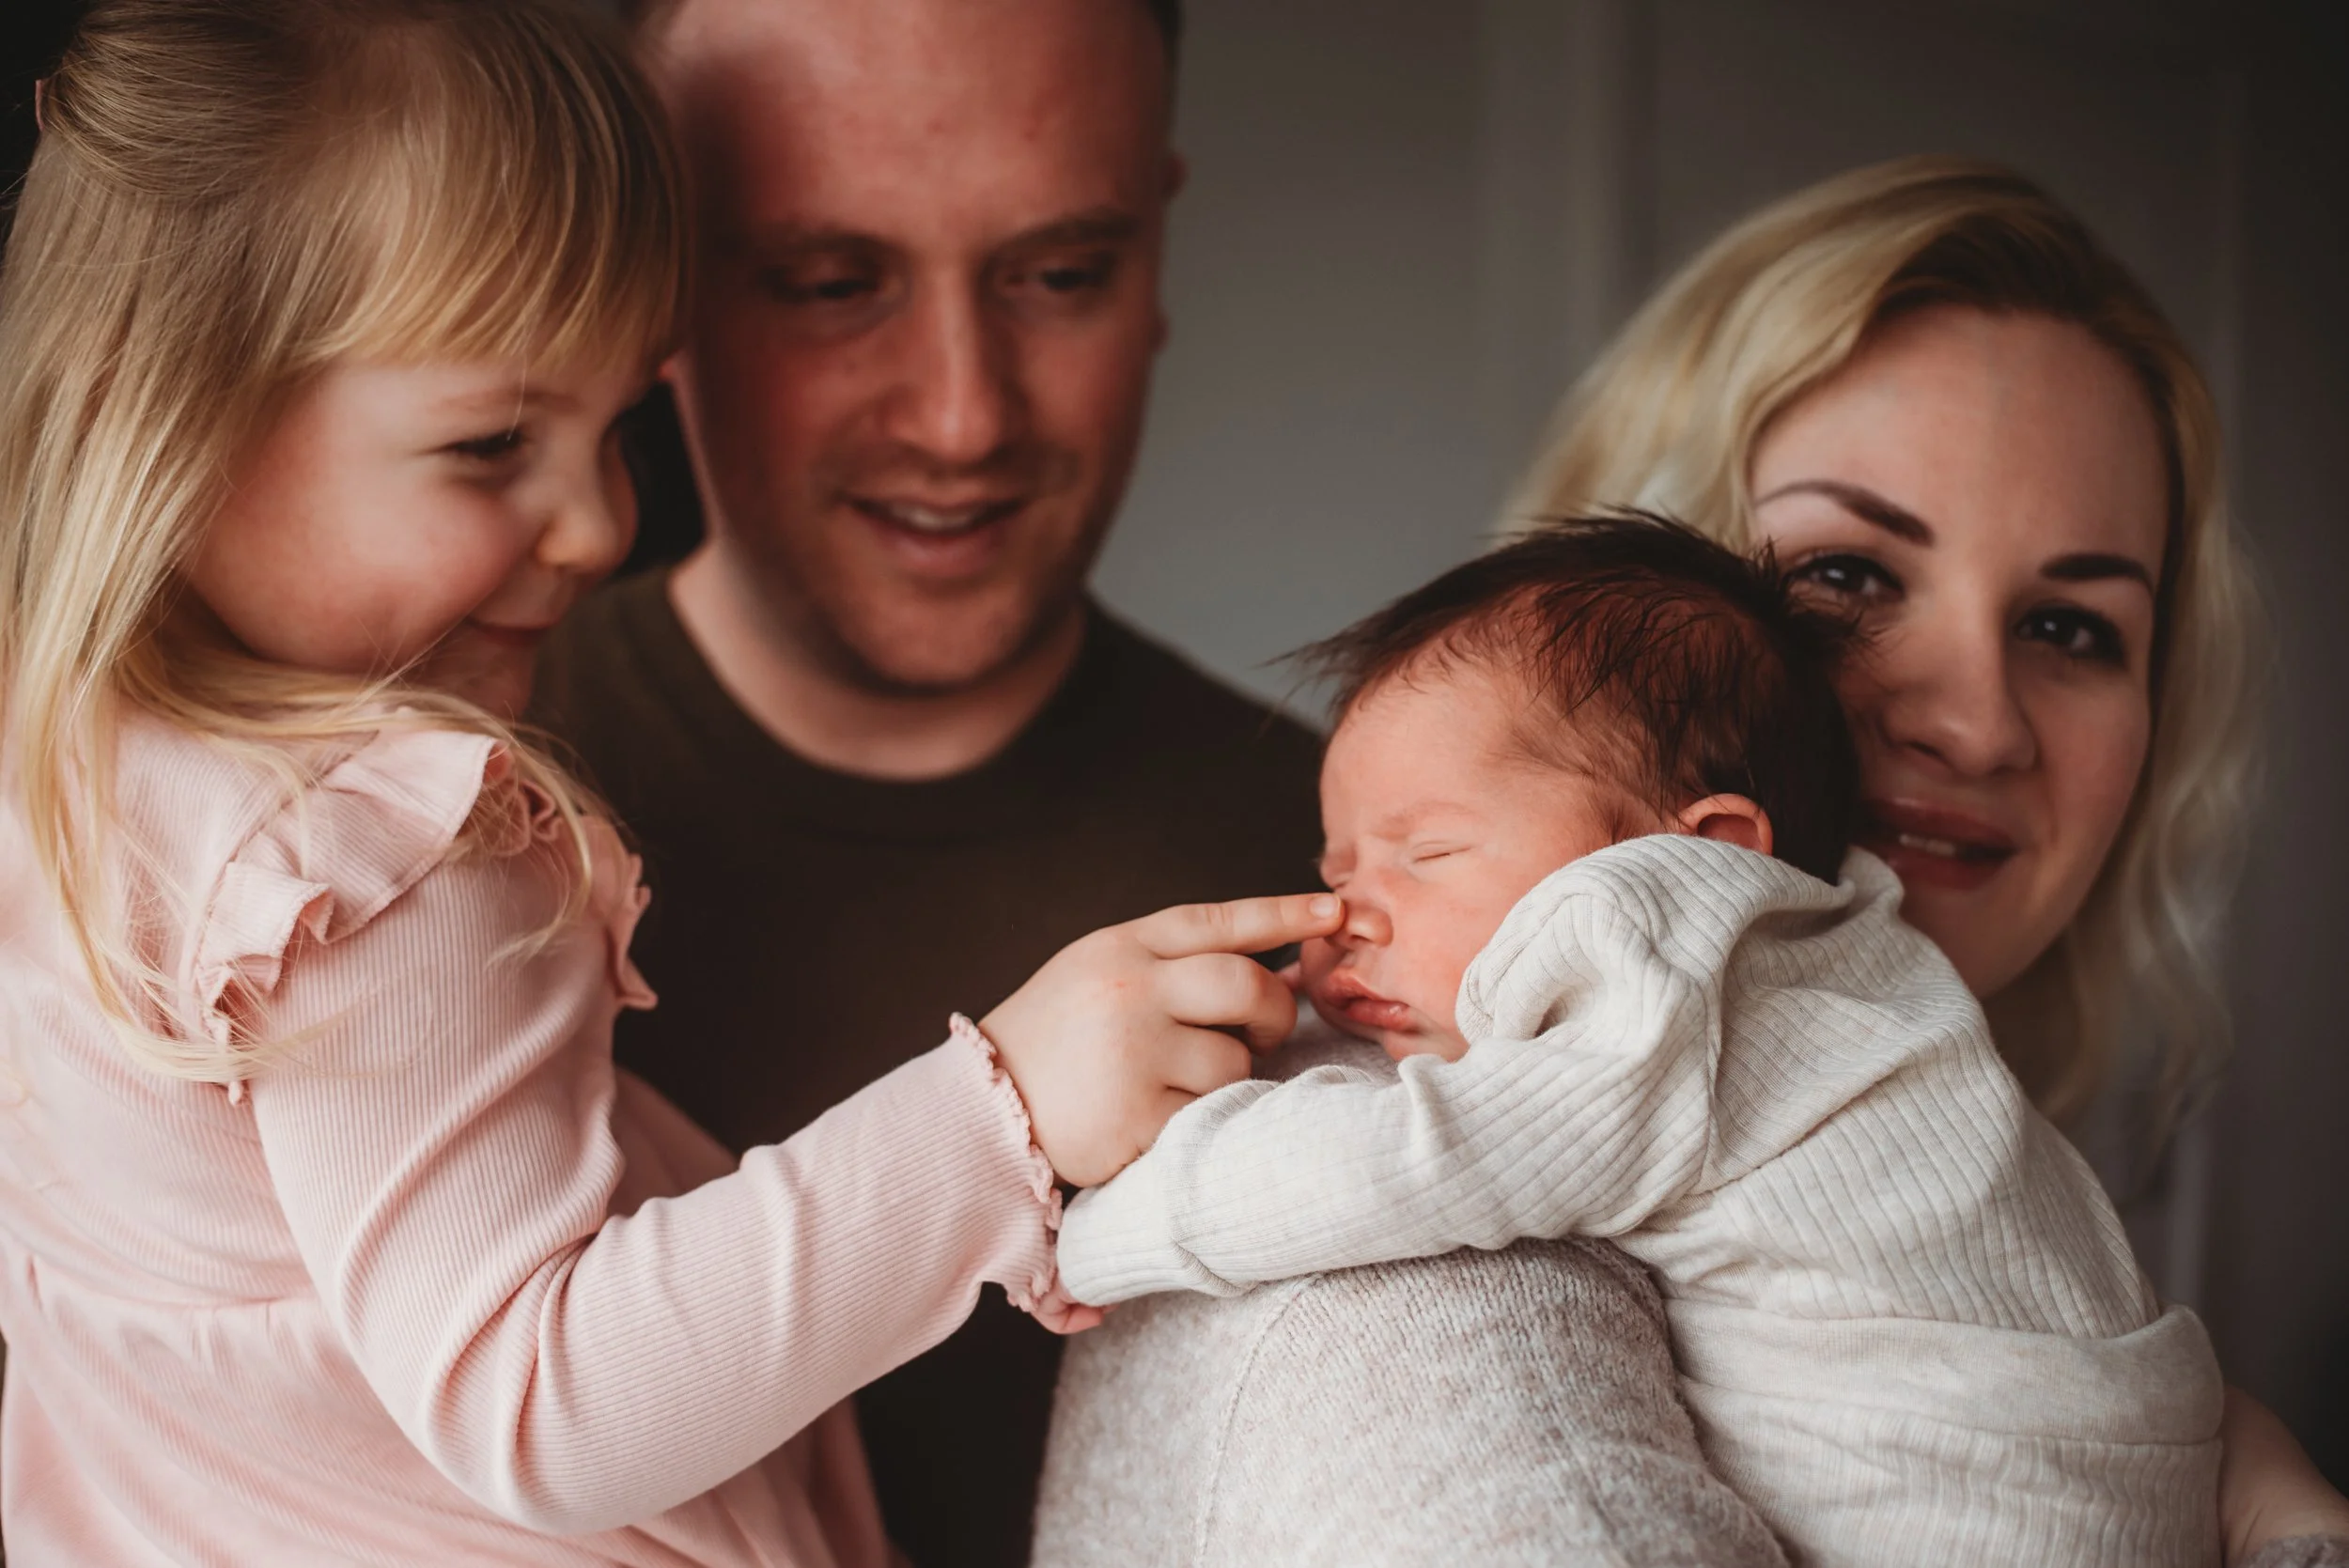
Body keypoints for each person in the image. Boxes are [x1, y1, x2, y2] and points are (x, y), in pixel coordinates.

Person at [0, 2, 1335, 1560]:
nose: (600, 525)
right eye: (493, 439)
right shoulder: (402, 840)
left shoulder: (77, 801)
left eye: (1059, 272)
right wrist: (1004, 1120)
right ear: (169, 414)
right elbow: (542, 1397)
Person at [1036, 158, 2349, 1566]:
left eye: (2074, 627)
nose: (1973, 720)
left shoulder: (1968, 1161)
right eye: (1845, 577)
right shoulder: (1414, 1248)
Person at [530, 1, 1325, 1558]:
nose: (962, 413)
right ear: (654, 286)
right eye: (832, 284)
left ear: (1158, 248)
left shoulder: (1371, 870)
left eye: (1058, 276)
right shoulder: (335, 838)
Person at [1054, 518, 2226, 1566]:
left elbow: (1419, 1162)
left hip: (1984, 1505)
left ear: (1706, 849)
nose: (1345, 916)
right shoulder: (1844, 956)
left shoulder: (1672, 950)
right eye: (1336, 868)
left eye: (1428, 855)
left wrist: (1101, 1224)